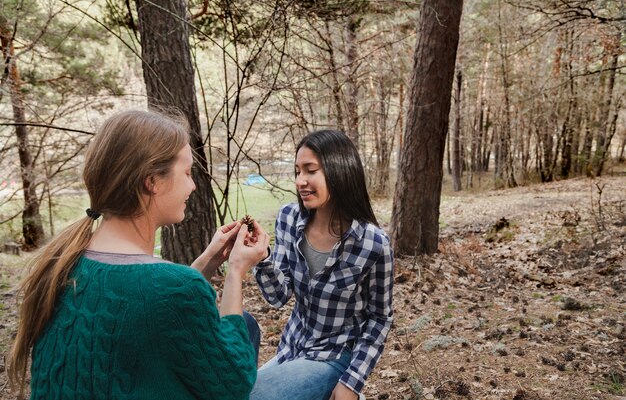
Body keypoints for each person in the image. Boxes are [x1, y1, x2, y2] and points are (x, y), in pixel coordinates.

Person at [7, 110, 270, 400]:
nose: (193, 185)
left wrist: (209, 259)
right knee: (249, 331)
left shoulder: (62, 264)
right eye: (186, 173)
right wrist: (235, 272)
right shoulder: (173, 287)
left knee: (241, 324)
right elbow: (234, 385)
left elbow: (149, 301)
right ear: (152, 181)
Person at [250, 130, 394, 400]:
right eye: (297, 171)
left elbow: (379, 319)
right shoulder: (288, 218)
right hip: (292, 348)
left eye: (310, 170)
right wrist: (261, 258)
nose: (300, 181)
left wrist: (351, 383)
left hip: (335, 358)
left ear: (339, 171)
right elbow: (278, 297)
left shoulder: (374, 243)